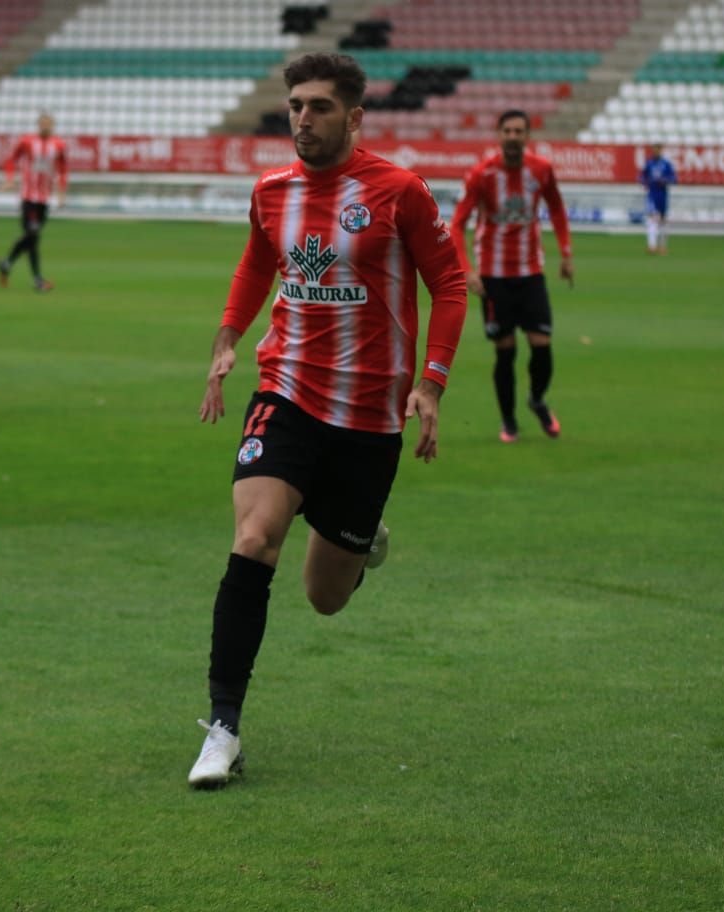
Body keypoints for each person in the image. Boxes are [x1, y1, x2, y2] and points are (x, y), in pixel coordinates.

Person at [187, 53, 468, 789]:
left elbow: (451, 283)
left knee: (324, 597)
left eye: (317, 106)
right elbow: (257, 261)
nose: (302, 118)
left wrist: (431, 385)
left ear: (353, 116)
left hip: (370, 419)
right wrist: (228, 336)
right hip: (286, 394)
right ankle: (222, 729)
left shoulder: (399, 192)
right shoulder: (271, 190)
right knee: (253, 539)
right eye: (295, 105)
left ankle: (360, 538)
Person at [450, 109, 572, 444]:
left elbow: (558, 209)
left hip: (531, 272)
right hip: (494, 277)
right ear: (499, 135)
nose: (514, 136)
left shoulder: (541, 170)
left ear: (527, 136)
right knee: (505, 351)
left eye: (520, 131)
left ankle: (536, 398)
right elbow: (456, 224)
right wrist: (467, 271)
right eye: (508, 131)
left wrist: (566, 253)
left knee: (542, 347)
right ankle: (508, 421)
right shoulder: (482, 174)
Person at [0, 113, 67, 293]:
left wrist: (61, 193)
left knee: (32, 237)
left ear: (53, 125)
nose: (45, 127)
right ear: (38, 125)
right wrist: (10, 179)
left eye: (48, 124)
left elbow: (63, 169)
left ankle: (7, 263)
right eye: (42, 123)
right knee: (33, 235)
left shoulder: (59, 145)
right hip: (28, 197)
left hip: (44, 199)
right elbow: (11, 159)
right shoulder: (26, 141)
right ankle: (37, 280)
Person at [640, 143, 677, 255]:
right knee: (652, 218)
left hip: (663, 195)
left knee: (663, 221)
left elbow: (674, 179)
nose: (655, 151)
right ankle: (652, 246)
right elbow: (642, 176)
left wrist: (665, 180)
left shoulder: (666, 164)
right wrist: (644, 182)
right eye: (654, 149)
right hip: (652, 194)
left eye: (657, 149)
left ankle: (662, 247)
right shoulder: (649, 163)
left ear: (661, 150)